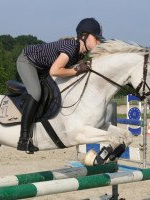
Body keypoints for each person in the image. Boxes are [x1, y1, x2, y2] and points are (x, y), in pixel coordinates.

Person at [16, 18, 104, 153]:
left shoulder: (80, 53)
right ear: (84, 36)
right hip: (28, 61)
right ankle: (23, 139)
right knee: (36, 92)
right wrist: (77, 70)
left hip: (42, 68)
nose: (99, 42)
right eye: (96, 38)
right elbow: (55, 71)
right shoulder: (71, 46)